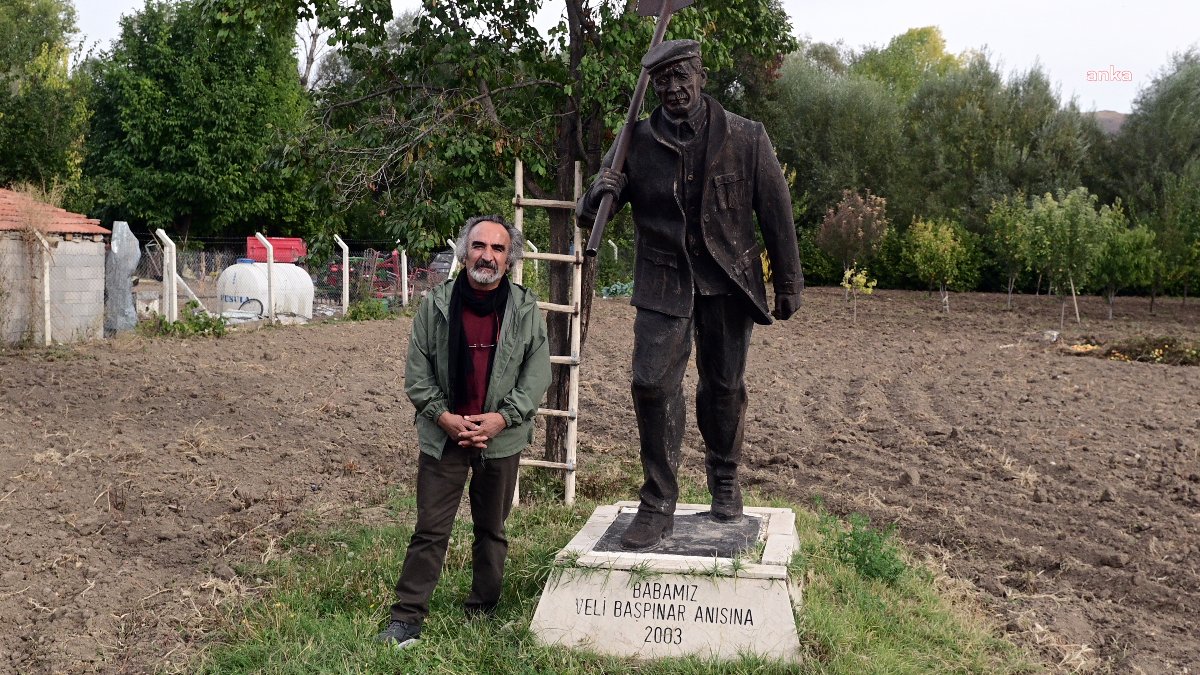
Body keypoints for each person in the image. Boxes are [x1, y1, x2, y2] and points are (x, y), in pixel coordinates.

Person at [577, 39, 803, 551]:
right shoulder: (634, 140)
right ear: (653, 87)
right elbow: (587, 217)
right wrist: (601, 189)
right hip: (663, 284)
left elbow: (776, 211)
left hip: (728, 282)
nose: (674, 90)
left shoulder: (746, 136)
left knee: (724, 387)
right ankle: (658, 502)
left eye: (682, 78)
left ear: (701, 77)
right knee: (651, 385)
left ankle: (725, 477)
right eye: (663, 82)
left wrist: (788, 282)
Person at [376, 215, 551, 647]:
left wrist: (501, 419)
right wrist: (444, 418)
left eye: (497, 248)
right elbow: (418, 373)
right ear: (463, 251)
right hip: (444, 436)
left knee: (491, 529)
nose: (486, 255)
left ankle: (483, 608)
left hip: (500, 438)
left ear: (509, 259)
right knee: (431, 530)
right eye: (478, 246)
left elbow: (536, 374)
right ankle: (407, 618)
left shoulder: (526, 309)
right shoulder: (435, 305)